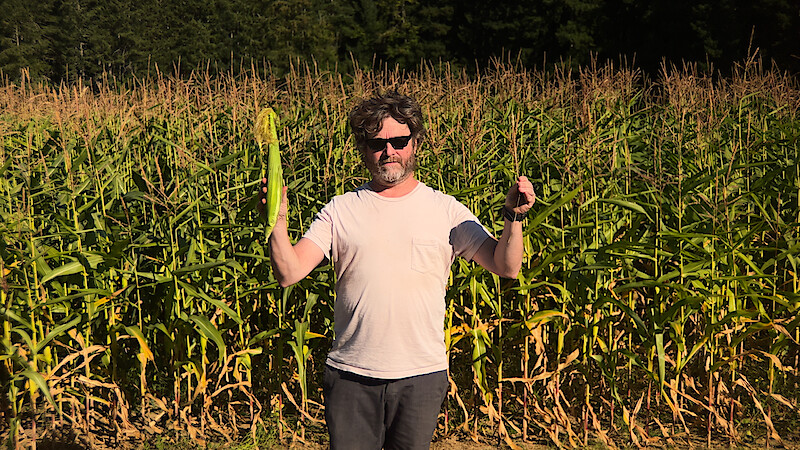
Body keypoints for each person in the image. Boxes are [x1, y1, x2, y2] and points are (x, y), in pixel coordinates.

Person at [259, 91, 535, 450]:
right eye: (377, 143)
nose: (389, 151)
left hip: (421, 376)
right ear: (364, 149)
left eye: (399, 141)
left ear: (415, 143)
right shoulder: (340, 211)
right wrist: (277, 222)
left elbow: (507, 266)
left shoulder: (445, 211)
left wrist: (513, 217)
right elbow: (289, 272)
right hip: (351, 376)